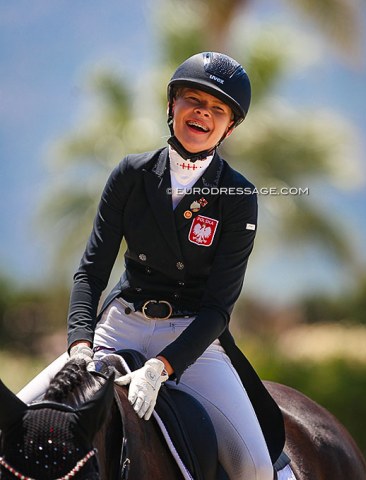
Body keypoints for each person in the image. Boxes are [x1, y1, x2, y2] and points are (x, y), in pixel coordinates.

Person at [18, 52, 285, 480]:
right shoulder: (131, 174)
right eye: (193, 100)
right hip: (119, 325)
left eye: (218, 109)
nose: (203, 112)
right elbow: (91, 271)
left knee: (254, 468)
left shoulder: (237, 194)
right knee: (17, 422)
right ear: (171, 106)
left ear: (230, 127)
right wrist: (80, 345)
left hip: (192, 337)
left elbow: (219, 308)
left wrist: (163, 367)